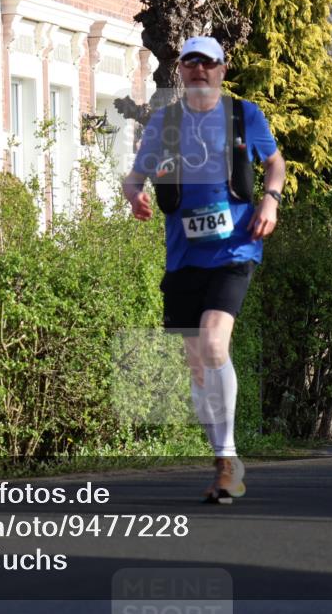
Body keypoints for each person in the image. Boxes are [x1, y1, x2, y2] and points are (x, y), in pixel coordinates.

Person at [121, 36, 286, 504]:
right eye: (190, 62)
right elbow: (135, 176)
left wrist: (270, 201)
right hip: (183, 259)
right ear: (181, 69)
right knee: (198, 365)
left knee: (215, 343)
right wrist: (134, 194)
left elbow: (275, 164)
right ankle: (221, 461)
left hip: (234, 251)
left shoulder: (243, 116)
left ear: (222, 69)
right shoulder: (164, 124)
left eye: (207, 63)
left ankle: (230, 460)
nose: (199, 70)